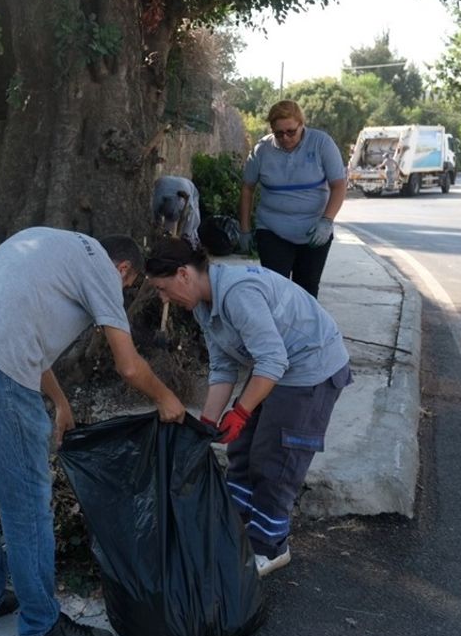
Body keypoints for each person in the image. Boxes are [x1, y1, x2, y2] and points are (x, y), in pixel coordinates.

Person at [0, 227, 186, 636]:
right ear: (123, 268)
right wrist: (166, 398)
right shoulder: (102, 270)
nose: (120, 293)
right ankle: (42, 627)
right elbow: (129, 366)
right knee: (27, 505)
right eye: (128, 285)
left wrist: (61, 403)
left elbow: (20, 332)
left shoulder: (50, 243)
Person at [144, 237, 351, 576]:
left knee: (276, 459)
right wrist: (207, 424)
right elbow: (223, 367)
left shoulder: (238, 293)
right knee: (241, 449)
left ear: (183, 274)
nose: (164, 298)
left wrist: (240, 411)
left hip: (311, 368)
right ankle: (236, 523)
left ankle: (271, 547)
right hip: (276, 365)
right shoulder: (201, 305)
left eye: (163, 289)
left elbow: (273, 360)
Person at [239, 100, 348, 298]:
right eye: (278, 133)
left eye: (291, 131)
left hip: (314, 231)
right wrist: (244, 229)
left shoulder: (322, 143)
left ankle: (305, 329)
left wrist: (327, 220)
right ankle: (277, 329)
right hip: (272, 230)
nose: (285, 138)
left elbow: (339, 185)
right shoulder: (262, 150)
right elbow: (247, 188)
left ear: (301, 124)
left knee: (306, 290)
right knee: (275, 289)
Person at [152, 175, 201, 246]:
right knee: (168, 230)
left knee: (191, 227)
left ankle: (192, 245)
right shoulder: (158, 197)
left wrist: (185, 236)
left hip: (190, 189)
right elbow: (156, 211)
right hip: (165, 183)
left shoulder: (189, 203)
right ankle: (167, 242)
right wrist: (157, 224)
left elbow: (189, 220)